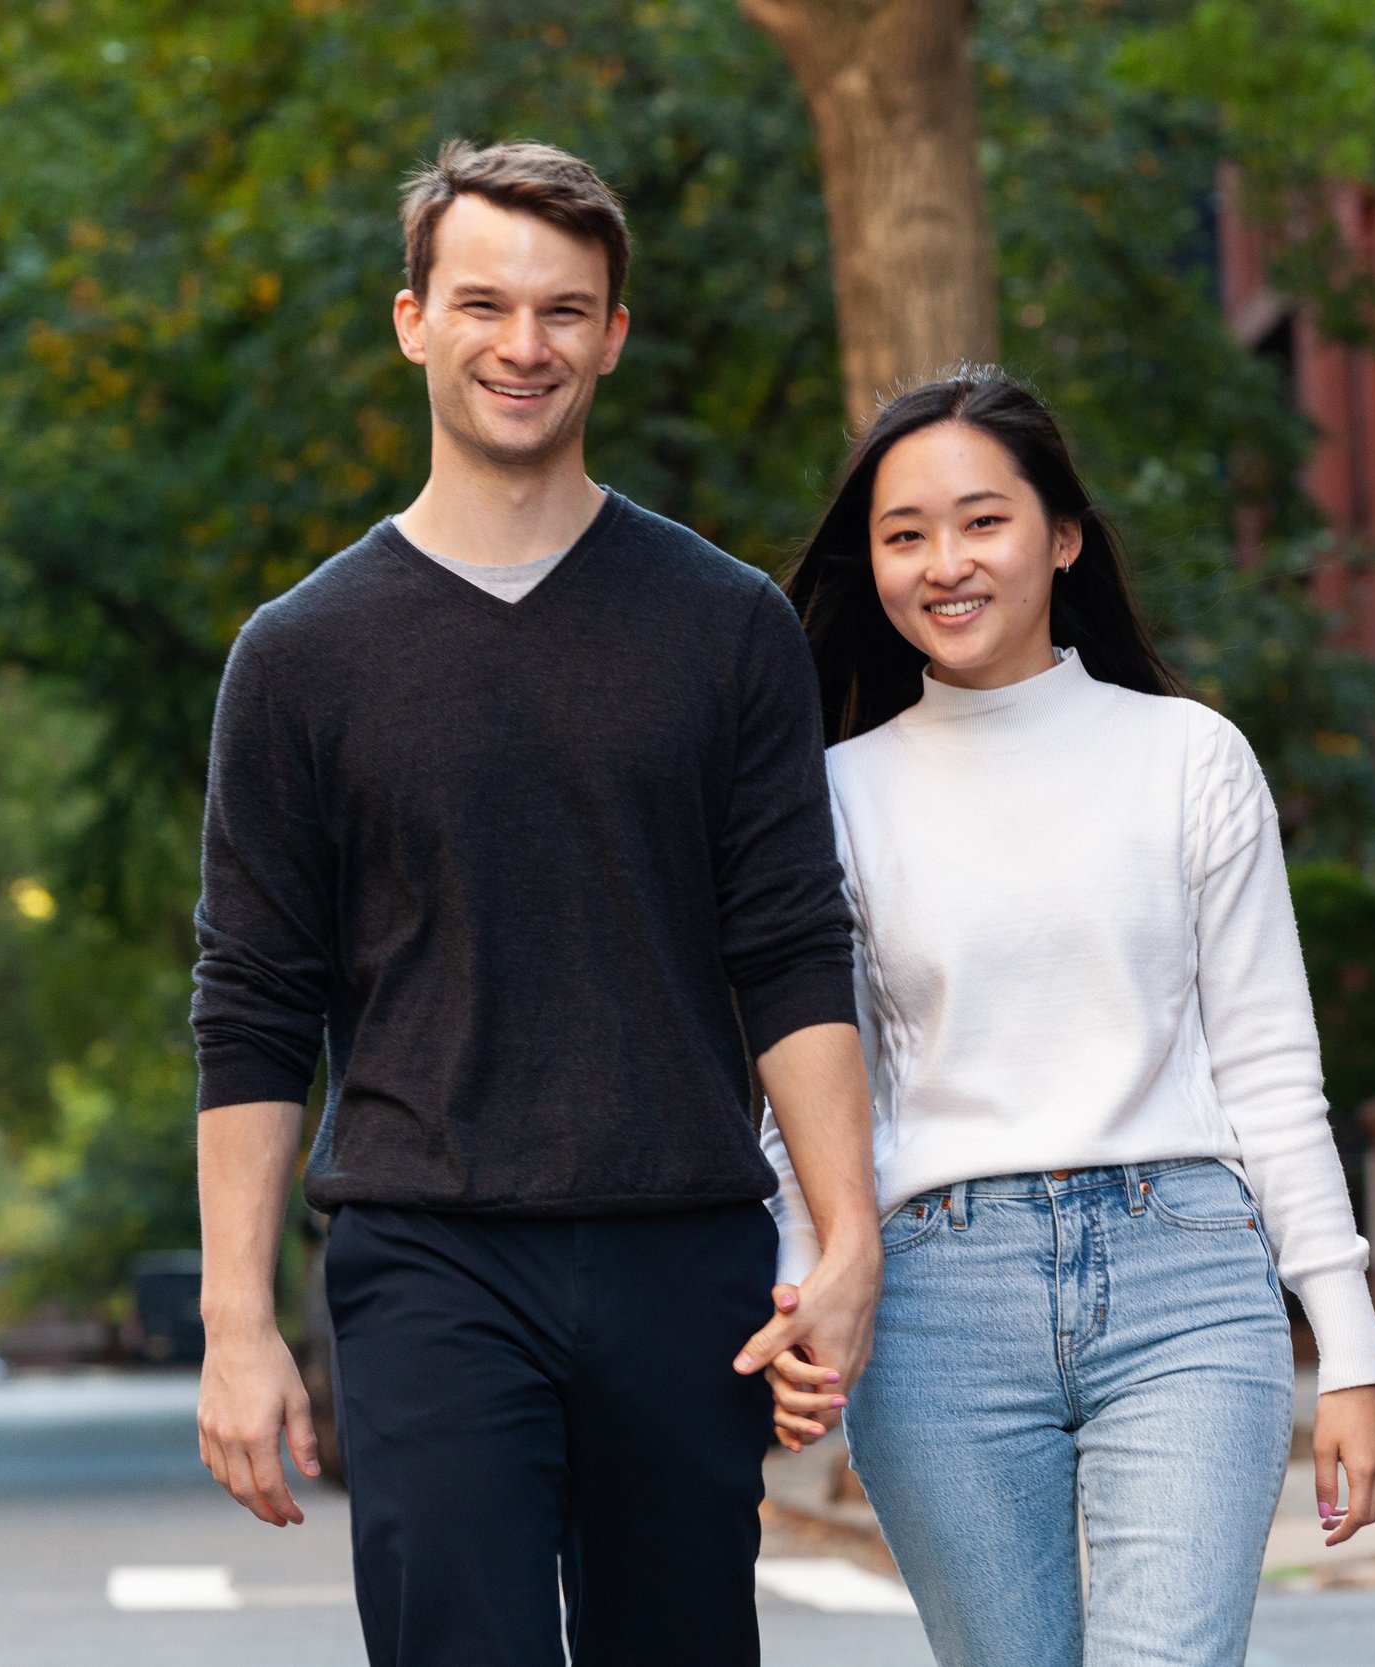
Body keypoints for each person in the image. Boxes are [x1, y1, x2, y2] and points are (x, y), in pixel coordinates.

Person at [186, 139, 881, 1667]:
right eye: (485, 303)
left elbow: (788, 943)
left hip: (681, 1249)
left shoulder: (725, 625)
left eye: (565, 311)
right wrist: (238, 1327)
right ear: (413, 320)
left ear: (615, 336)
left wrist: (846, 1236)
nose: (525, 345)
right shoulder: (298, 656)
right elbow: (251, 1006)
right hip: (427, 1254)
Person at [762, 368, 1375, 1666]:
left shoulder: (1189, 758)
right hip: (937, 1297)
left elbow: (1273, 1071)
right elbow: (815, 1081)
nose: (946, 561)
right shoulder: (829, 798)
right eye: (904, 535)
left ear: (1061, 536)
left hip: (1187, 1280)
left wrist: (1351, 1350)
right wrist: (803, 1281)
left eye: (982, 520)